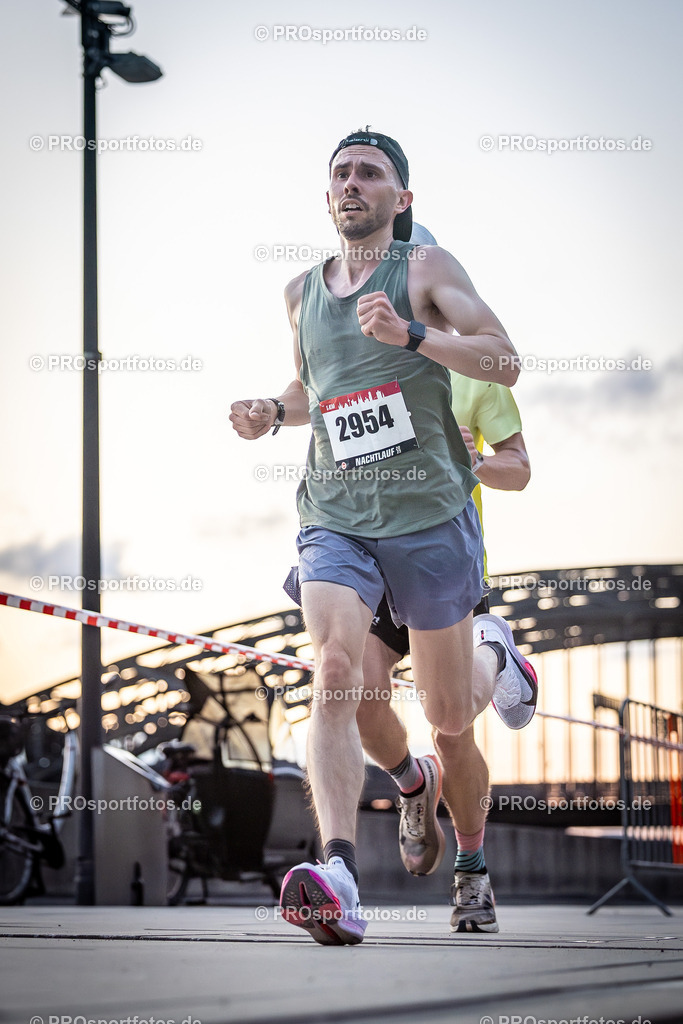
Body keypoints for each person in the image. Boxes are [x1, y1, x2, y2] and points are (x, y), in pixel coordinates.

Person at [230, 130, 537, 946]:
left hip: (429, 524)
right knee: (335, 672)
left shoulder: (427, 271)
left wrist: (413, 337)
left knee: (448, 717)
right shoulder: (299, 293)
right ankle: (337, 871)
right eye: (341, 172)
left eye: (370, 173)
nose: (352, 183)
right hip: (335, 516)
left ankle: (493, 661)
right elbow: (317, 387)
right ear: (326, 195)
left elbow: (504, 361)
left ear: (401, 199)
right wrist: (272, 412)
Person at [357, 225, 531, 930]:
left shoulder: (472, 372)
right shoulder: (360, 363)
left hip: (444, 564)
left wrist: (473, 463)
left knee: (450, 727)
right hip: (371, 559)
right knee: (356, 696)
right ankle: (411, 783)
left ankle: (471, 868)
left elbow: (519, 468)